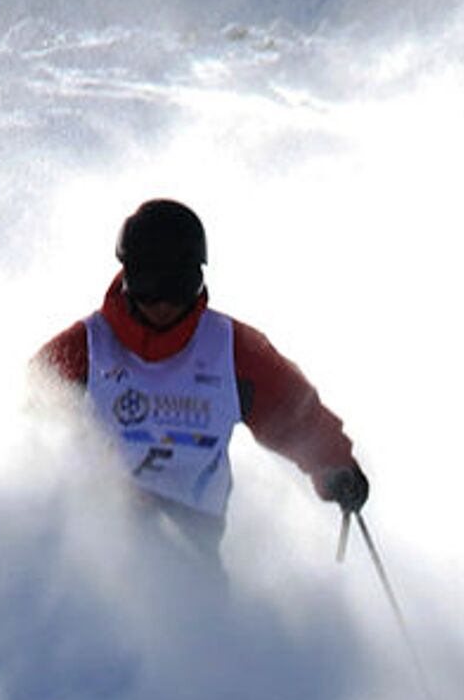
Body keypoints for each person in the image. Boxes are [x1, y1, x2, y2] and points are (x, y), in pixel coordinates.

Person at [32, 199, 369, 553]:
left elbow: (294, 414)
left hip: (193, 544)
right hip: (99, 542)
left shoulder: (231, 348)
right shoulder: (86, 347)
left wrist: (335, 465)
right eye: (149, 283)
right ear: (128, 276)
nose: (163, 304)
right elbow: (27, 421)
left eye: (178, 285)